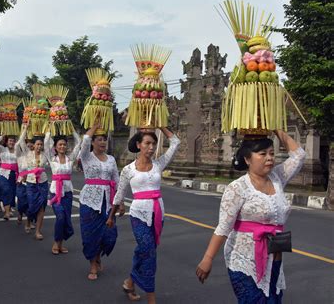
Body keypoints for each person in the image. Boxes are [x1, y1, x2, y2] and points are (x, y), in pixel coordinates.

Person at [195, 130, 306, 303]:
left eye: (271, 153)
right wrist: (207, 259)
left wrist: (276, 128)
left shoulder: (277, 177)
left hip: (274, 258)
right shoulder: (237, 188)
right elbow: (223, 228)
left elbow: (299, 155)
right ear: (247, 159)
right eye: (262, 154)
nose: (269, 158)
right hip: (244, 261)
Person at [107, 128, 180, 303]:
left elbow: (176, 142)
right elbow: (119, 194)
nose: (151, 147)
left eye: (153, 144)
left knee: (144, 251)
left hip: (157, 214)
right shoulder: (127, 170)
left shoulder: (159, 164)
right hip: (138, 215)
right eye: (147, 143)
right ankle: (151, 297)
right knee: (149, 252)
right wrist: (111, 216)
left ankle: (129, 282)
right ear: (139, 145)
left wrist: (161, 125)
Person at [78, 120, 124, 281]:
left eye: (105, 139)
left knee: (109, 235)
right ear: (93, 142)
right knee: (90, 233)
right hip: (89, 200)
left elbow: (117, 180)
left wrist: (121, 202)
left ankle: (98, 255)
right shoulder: (86, 157)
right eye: (99, 139)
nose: (103, 141)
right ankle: (93, 264)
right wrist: (95, 126)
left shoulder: (111, 159)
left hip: (108, 202)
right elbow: (84, 141)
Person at [44, 131, 81, 255]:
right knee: (60, 217)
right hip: (55, 192)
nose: (62, 147)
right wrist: (50, 128)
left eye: (64, 144)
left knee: (66, 219)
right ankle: (56, 242)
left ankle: (61, 244)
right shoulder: (52, 158)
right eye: (60, 145)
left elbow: (79, 142)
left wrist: (71, 128)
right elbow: (45, 143)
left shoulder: (70, 159)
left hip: (68, 192)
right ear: (55, 147)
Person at [19, 125, 49, 240]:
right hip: (31, 183)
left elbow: (49, 142)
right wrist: (25, 129)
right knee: (32, 207)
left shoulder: (45, 155)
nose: (39, 146)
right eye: (37, 144)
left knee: (41, 207)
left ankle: (38, 231)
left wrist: (47, 129)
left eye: (41, 145)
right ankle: (28, 221)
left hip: (43, 182)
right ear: (33, 145)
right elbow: (21, 142)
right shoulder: (28, 153)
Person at [0, 134, 23, 220]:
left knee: (12, 192)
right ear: (6, 142)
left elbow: (20, 163)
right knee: (6, 190)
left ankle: (9, 208)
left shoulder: (18, 151)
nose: (11, 142)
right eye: (10, 141)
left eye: (13, 141)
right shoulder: (2, 149)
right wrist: (2, 136)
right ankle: (6, 213)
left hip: (14, 174)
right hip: (3, 173)